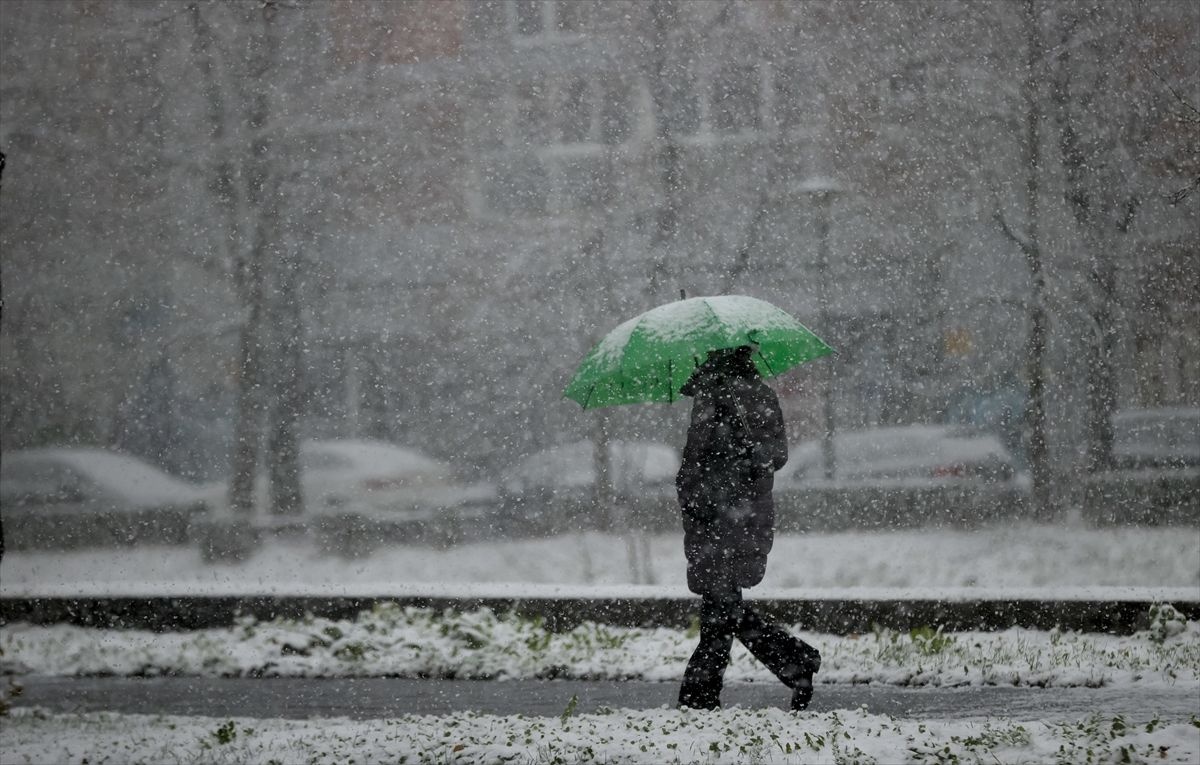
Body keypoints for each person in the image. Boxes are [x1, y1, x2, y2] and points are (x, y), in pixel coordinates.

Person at [674, 345, 821, 711]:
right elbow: (705, 462)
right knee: (723, 610)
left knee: (722, 609)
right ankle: (794, 662)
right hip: (728, 517)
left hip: (729, 519)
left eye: (708, 353)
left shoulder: (726, 395)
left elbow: (756, 457)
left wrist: (717, 471)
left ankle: (700, 696)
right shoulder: (729, 393)